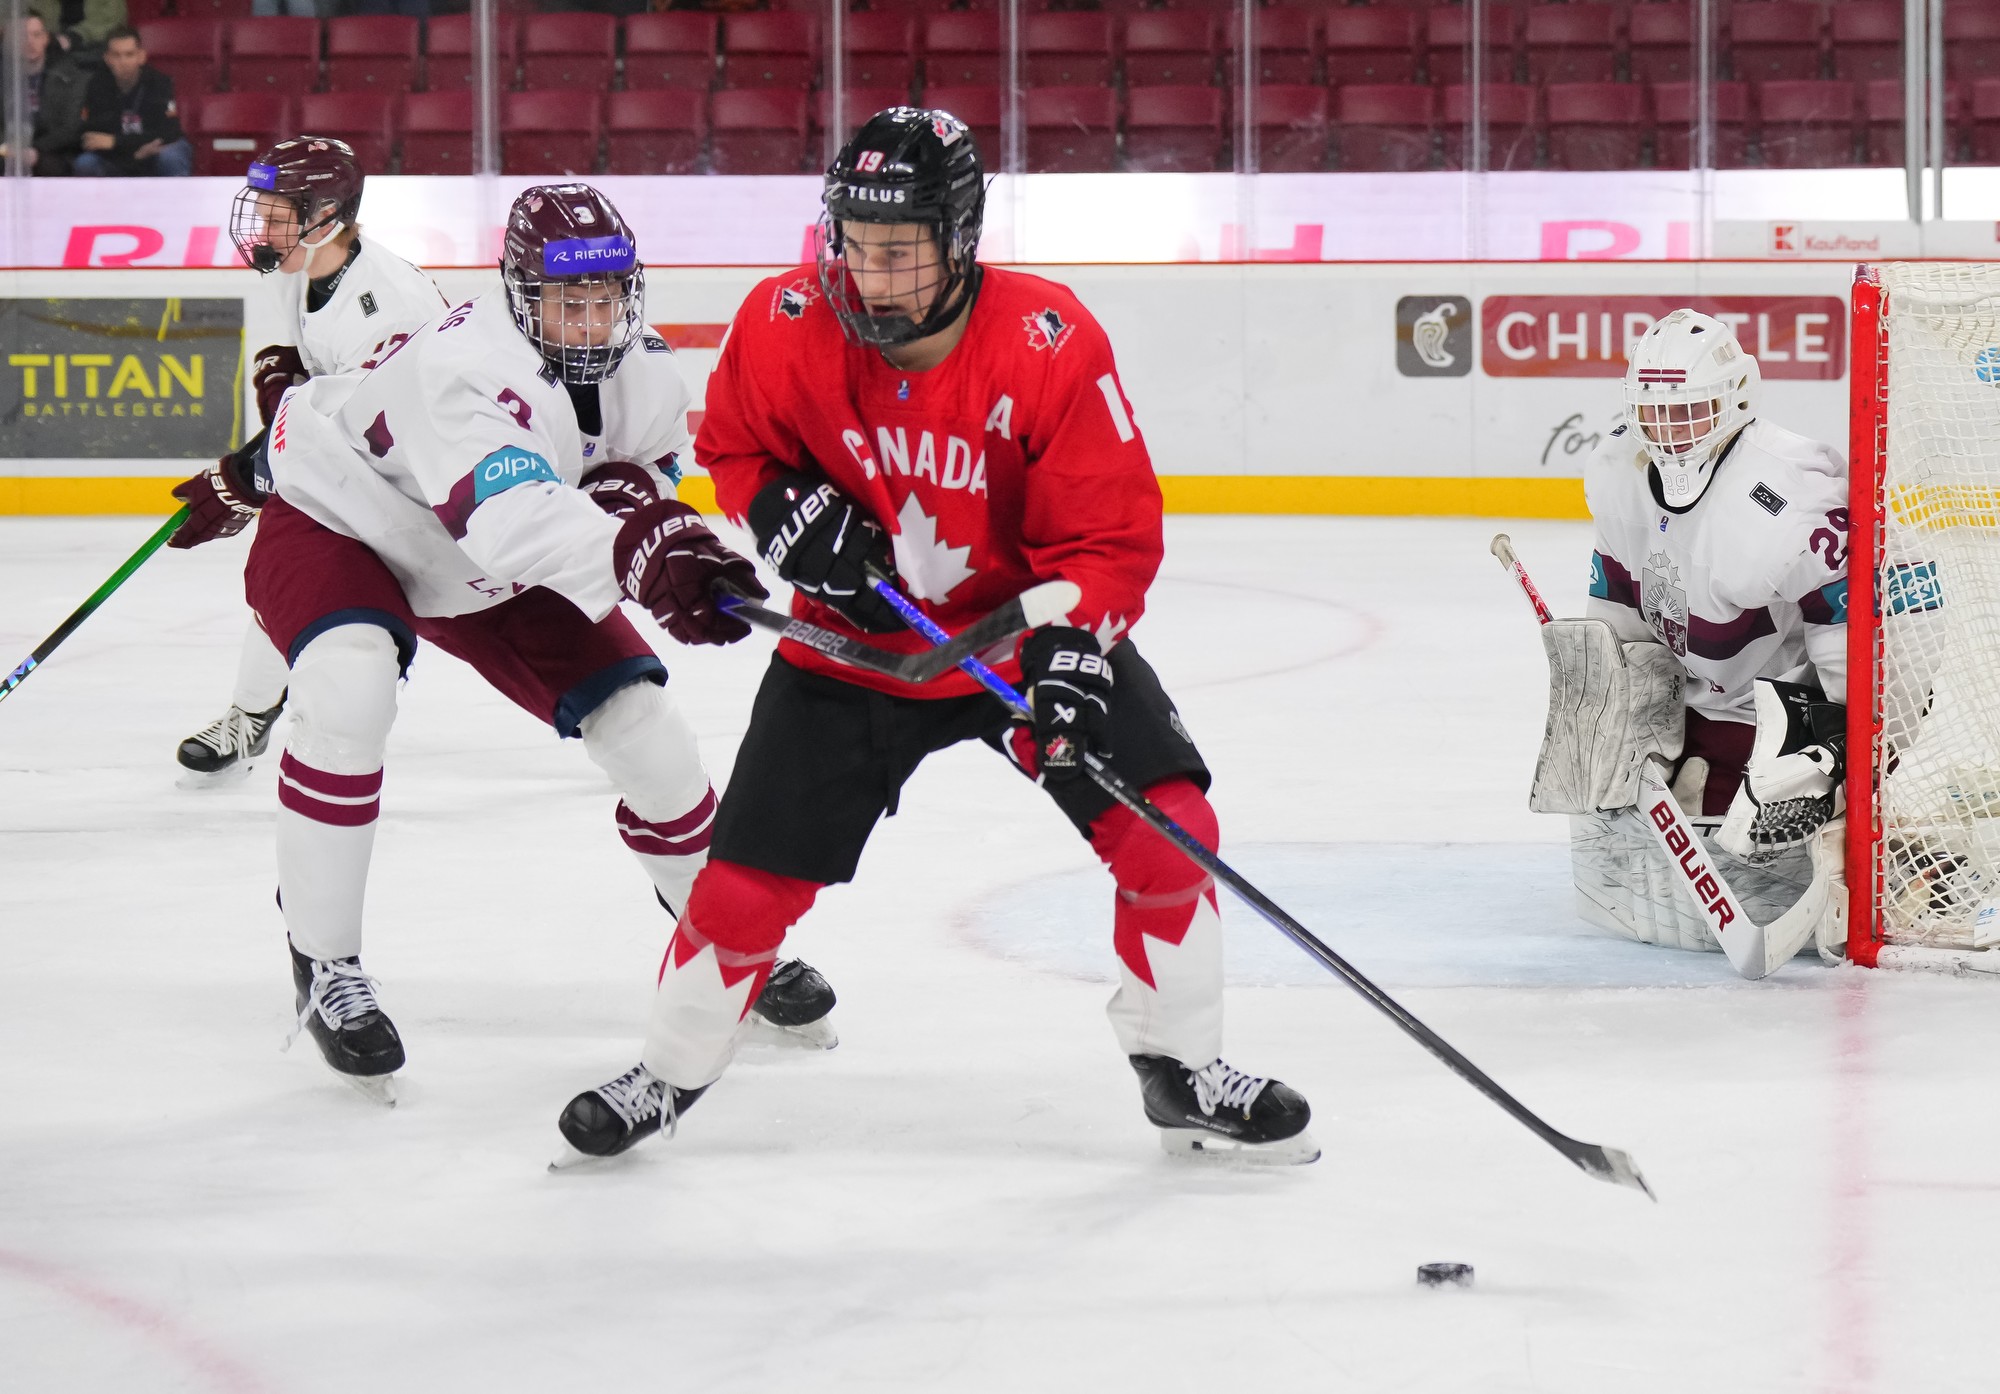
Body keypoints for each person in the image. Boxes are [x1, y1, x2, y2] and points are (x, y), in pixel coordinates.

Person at [555, 108, 1318, 1166]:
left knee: (1171, 830)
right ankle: (668, 1072)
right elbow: (731, 448)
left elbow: (1110, 538)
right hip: (850, 650)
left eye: (900, 252)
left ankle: (1181, 1068)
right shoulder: (783, 320)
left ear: (960, 240)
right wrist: (774, 506)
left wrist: (1074, 643)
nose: (869, 277)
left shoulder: (1048, 341)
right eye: (854, 246)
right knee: (740, 889)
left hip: (1013, 637)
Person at [165, 182, 836, 1103]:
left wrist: (652, 518)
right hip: (347, 516)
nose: (591, 318)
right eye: (568, 298)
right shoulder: (466, 363)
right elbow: (508, 518)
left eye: (606, 296)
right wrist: (642, 552)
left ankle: (725, 937)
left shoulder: (643, 364)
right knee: (350, 686)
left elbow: (635, 471)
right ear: (520, 293)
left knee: (645, 728)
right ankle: (324, 963)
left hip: (478, 545)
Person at [1533, 308, 1849, 955]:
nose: (1671, 432)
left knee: (1765, 860)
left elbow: (1852, 639)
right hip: (1691, 704)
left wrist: (1840, 748)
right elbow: (1618, 599)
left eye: (1690, 411)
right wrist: (1615, 708)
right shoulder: (1618, 466)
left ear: (1736, 400)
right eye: (1656, 413)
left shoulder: (1793, 492)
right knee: (1629, 836)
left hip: (1777, 717)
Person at [172, 137, 451, 784]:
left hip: (430, 488)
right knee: (291, 569)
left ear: (326, 215)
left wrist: (249, 476)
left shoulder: (388, 304)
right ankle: (251, 716)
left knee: (515, 624)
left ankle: (617, 711)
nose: (261, 229)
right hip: (370, 471)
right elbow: (299, 367)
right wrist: (283, 396)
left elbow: (361, 429)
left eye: (276, 214)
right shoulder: (298, 263)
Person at [74, 25, 190, 178]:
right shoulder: (97, 86)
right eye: (116, 55)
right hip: (117, 157)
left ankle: (176, 195)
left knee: (171, 156)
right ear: (107, 59)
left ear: (141, 56)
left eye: (129, 54)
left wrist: (116, 141)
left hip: (152, 153)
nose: (123, 62)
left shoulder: (160, 83)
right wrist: (133, 153)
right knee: (85, 162)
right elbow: (91, 136)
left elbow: (170, 131)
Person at [0, 14, 89, 175]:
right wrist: (9, 148)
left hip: (54, 153)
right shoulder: (4, 78)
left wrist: (35, 150)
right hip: (7, 150)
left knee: (49, 166)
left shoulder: (69, 78)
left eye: (36, 35)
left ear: (46, 39)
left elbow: (71, 128)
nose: (30, 42)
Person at [27, 0, 125, 58]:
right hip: (49, 48)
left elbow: (113, 20)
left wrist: (74, 36)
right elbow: (30, 15)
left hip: (96, 48)